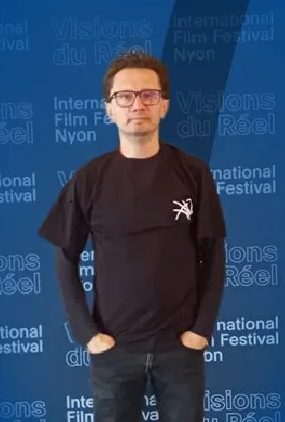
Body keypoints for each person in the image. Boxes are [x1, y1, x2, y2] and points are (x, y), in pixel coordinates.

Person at [38, 52, 228, 422]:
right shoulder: (89, 179)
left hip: (179, 348)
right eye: (124, 96)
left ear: (164, 105)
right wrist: (88, 334)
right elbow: (65, 258)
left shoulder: (194, 173)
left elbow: (214, 254)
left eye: (148, 95)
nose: (137, 105)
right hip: (114, 349)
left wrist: (201, 330)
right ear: (109, 108)